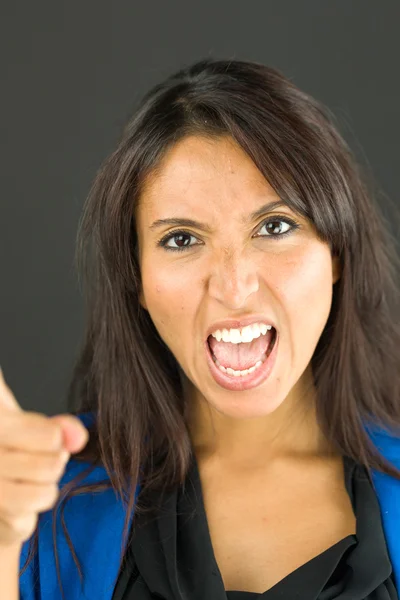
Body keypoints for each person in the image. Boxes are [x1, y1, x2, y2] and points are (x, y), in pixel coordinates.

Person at [0, 57, 399, 599]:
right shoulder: (40, 504)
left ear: (336, 254)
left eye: (275, 226)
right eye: (182, 240)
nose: (234, 288)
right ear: (136, 278)